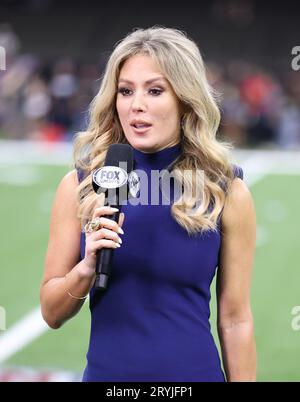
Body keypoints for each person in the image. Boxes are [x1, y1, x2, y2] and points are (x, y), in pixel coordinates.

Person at [40, 26, 256, 382]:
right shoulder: (80, 186)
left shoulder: (226, 191)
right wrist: (85, 269)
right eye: (125, 91)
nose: (136, 104)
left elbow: (236, 319)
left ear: (185, 99)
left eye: (155, 90)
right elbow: (51, 312)